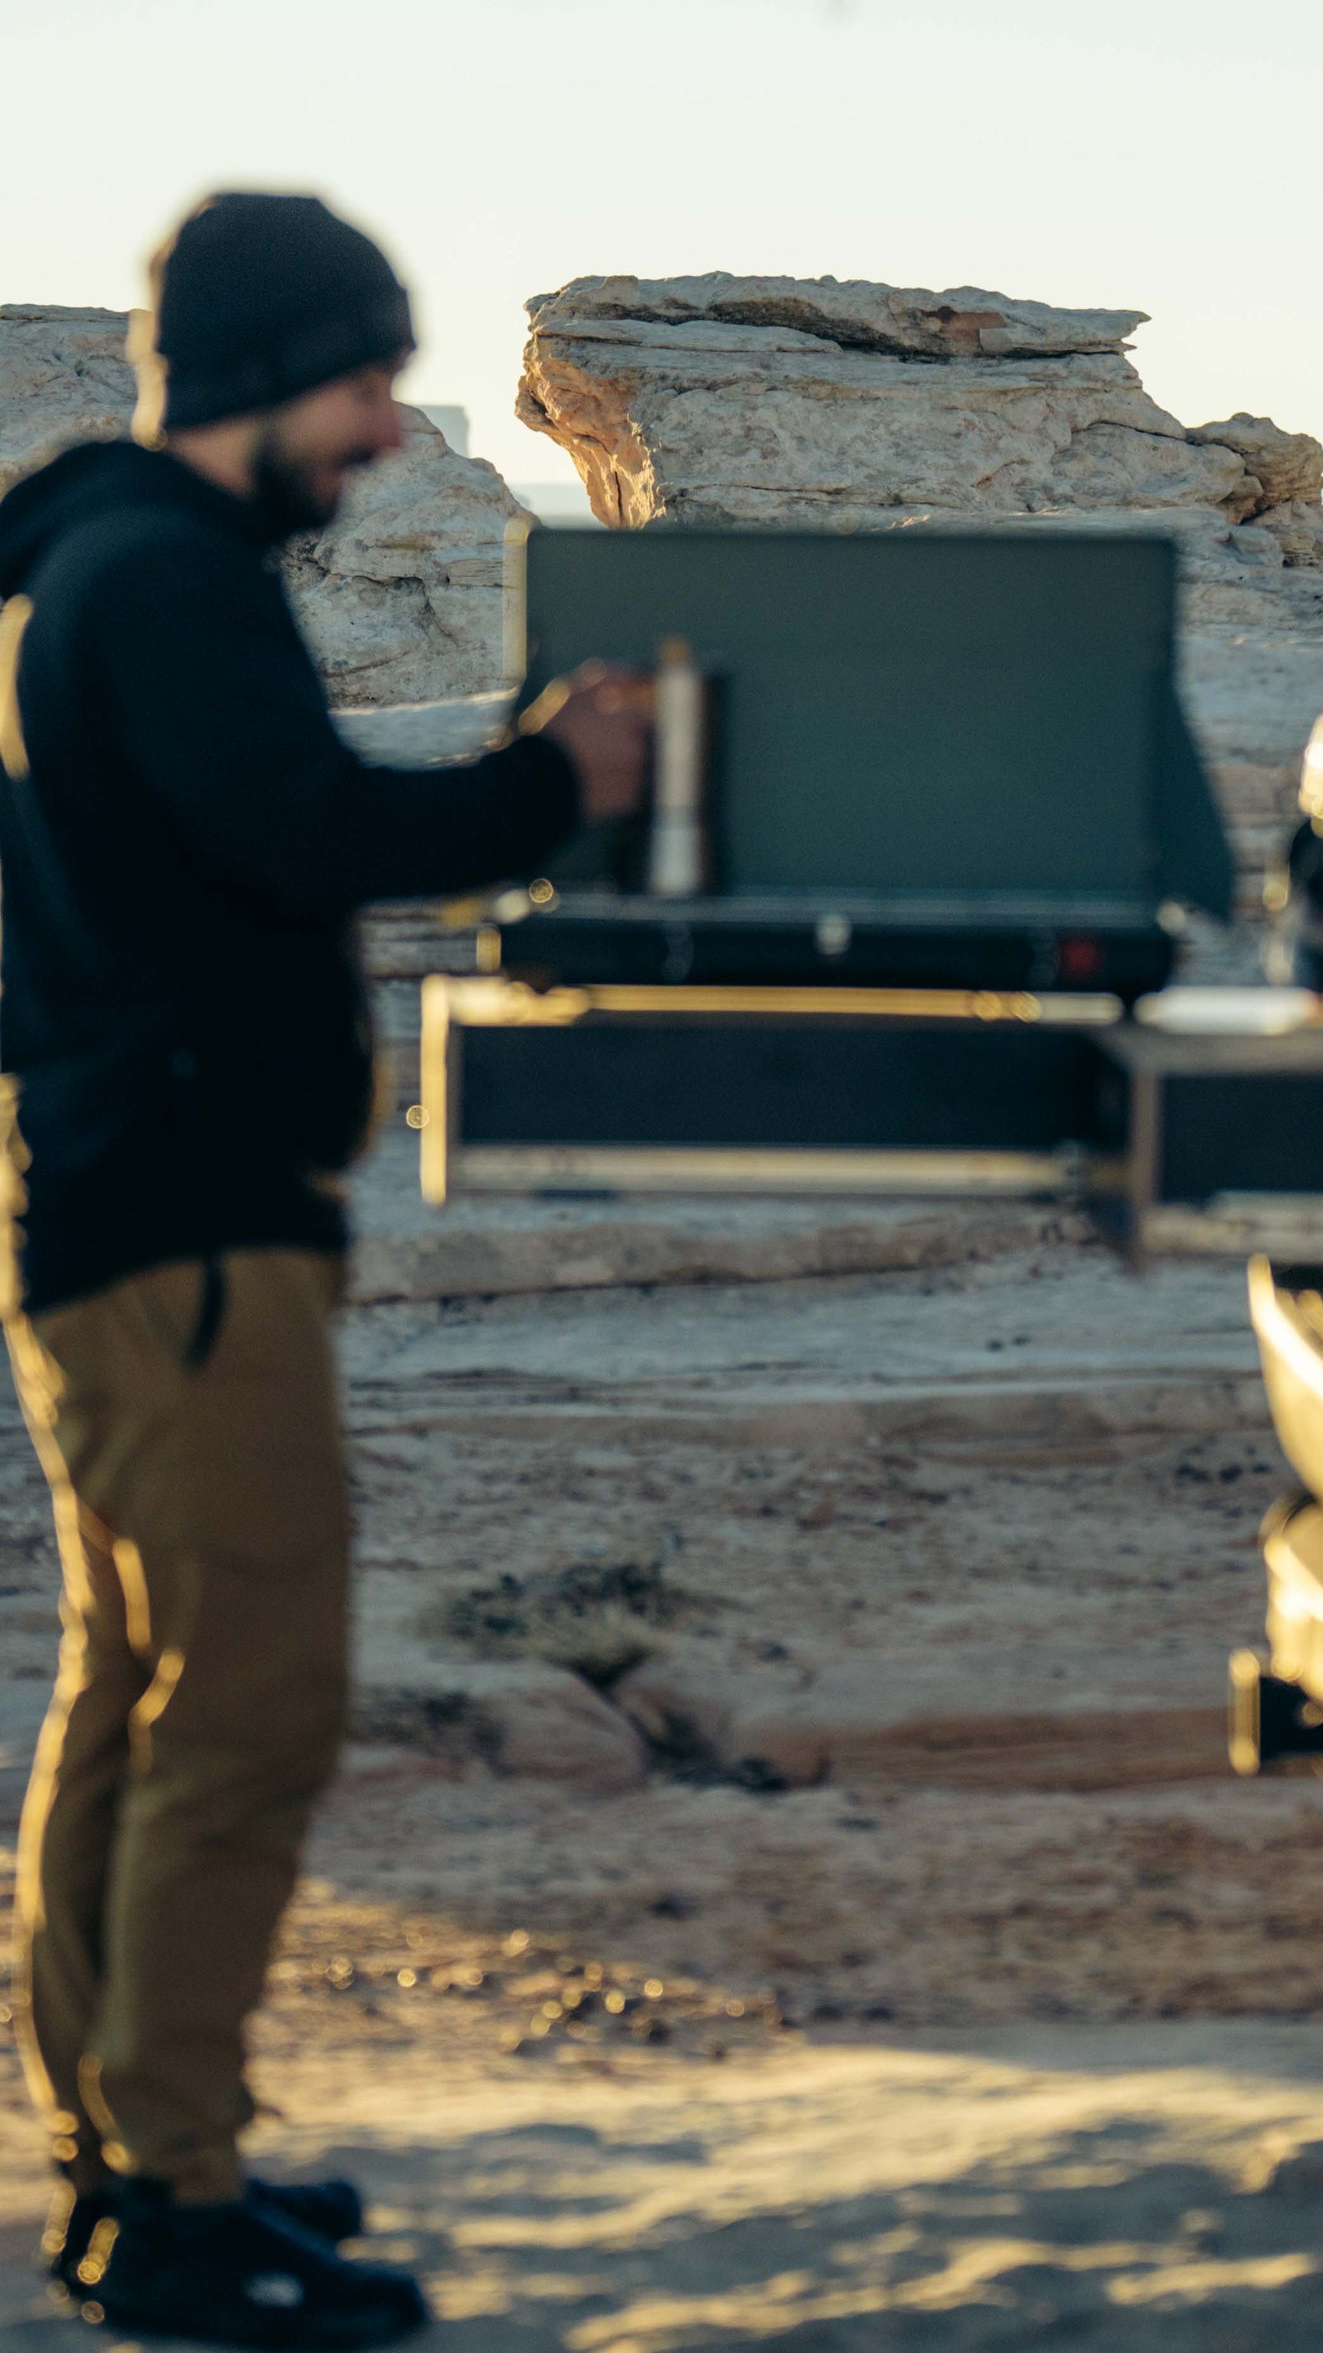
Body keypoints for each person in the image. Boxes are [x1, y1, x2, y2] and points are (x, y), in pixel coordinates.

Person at [0, 191, 650, 2347]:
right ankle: (177, 2200)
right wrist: (558, 774)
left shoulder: (89, 567)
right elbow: (316, 836)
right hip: (188, 1239)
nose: (386, 429)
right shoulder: (164, 584)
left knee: (136, 1689)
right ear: (277, 369)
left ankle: (127, 2153)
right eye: (367, 381)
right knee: (250, 1706)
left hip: (121, 1218)